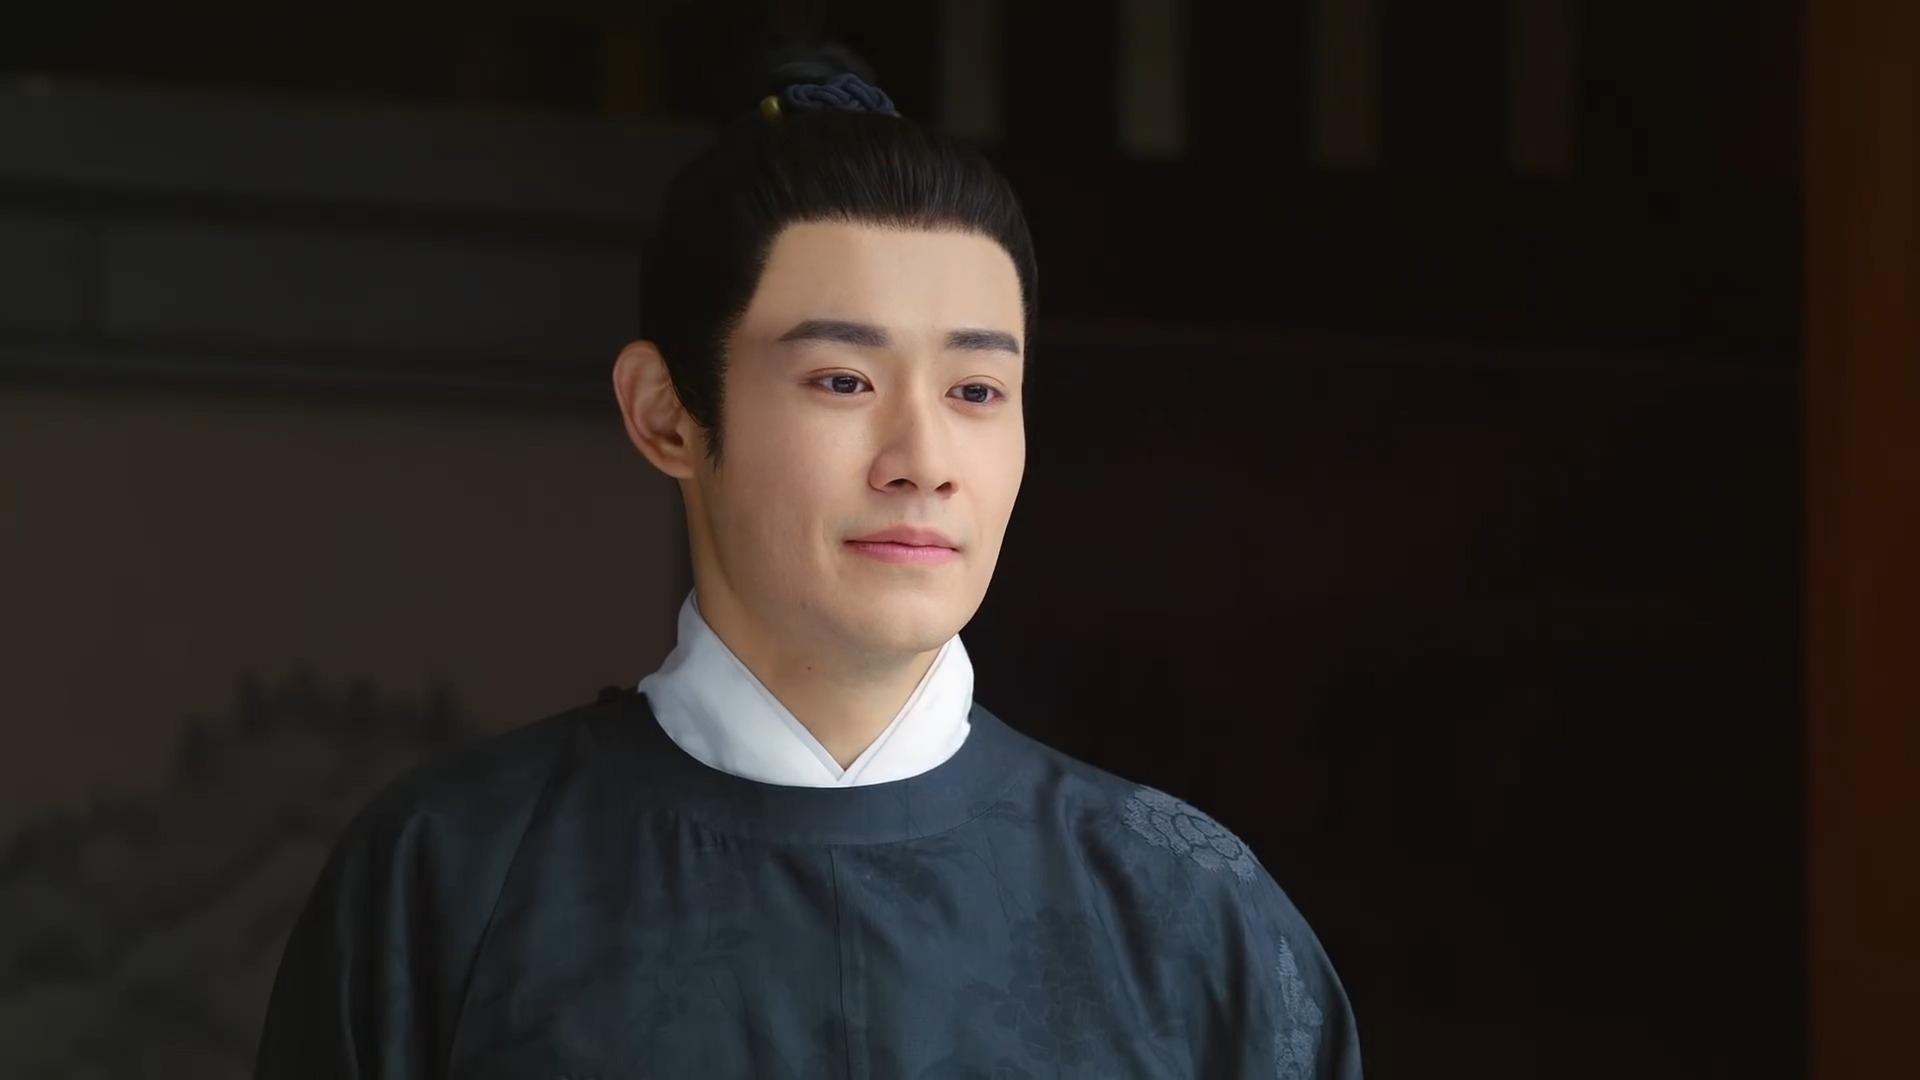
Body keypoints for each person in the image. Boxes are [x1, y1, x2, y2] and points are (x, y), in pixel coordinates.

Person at [254, 45, 1362, 1080]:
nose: (922, 461)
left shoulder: (1189, 912)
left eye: (976, 391)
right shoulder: (449, 879)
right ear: (666, 413)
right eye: (843, 381)